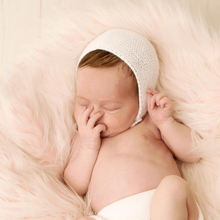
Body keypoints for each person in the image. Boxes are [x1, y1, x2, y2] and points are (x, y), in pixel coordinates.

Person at [64, 29, 203, 220]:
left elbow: (194, 152)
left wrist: (166, 123)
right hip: (112, 216)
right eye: (83, 104)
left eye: (110, 107)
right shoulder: (86, 137)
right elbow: (74, 184)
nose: (94, 114)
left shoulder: (150, 123)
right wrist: (88, 145)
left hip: (164, 211)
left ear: (141, 102)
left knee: (174, 186)